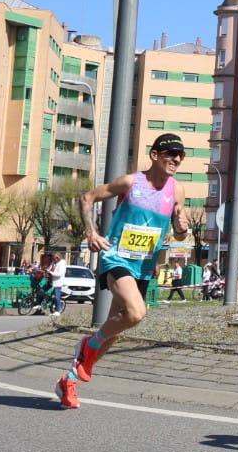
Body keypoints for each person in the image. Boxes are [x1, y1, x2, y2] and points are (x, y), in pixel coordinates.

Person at [55, 133, 190, 409]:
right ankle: (88, 345)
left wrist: (181, 228)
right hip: (116, 258)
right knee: (136, 313)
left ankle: (69, 380)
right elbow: (87, 197)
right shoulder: (131, 182)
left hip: (143, 266)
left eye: (180, 155)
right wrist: (91, 233)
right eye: (170, 154)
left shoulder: (177, 190)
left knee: (115, 327)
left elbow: (177, 232)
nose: (176, 159)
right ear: (155, 155)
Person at [46, 251, 67, 316]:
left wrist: (51, 273)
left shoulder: (62, 264)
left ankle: (58, 310)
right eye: (53, 258)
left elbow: (59, 274)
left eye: (55, 258)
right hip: (51, 281)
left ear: (58, 258)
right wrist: (47, 270)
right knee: (44, 292)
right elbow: (49, 269)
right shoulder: (53, 263)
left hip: (58, 283)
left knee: (57, 296)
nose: (53, 260)